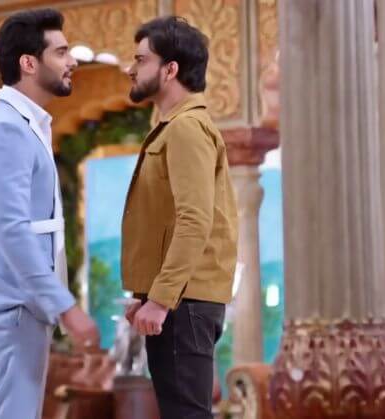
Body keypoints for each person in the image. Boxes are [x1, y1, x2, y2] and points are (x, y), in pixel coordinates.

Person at [0, 8, 99, 419]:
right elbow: (12, 230)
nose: (72, 61)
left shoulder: (25, 125)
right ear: (29, 62)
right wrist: (65, 306)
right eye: (61, 52)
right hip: (12, 307)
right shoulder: (4, 130)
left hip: (22, 307)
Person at [121, 16, 238, 419]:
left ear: (170, 70)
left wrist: (160, 299)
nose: (131, 69)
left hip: (183, 304)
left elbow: (194, 220)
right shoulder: (175, 127)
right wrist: (147, 297)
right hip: (180, 301)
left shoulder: (186, 128)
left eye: (141, 60)